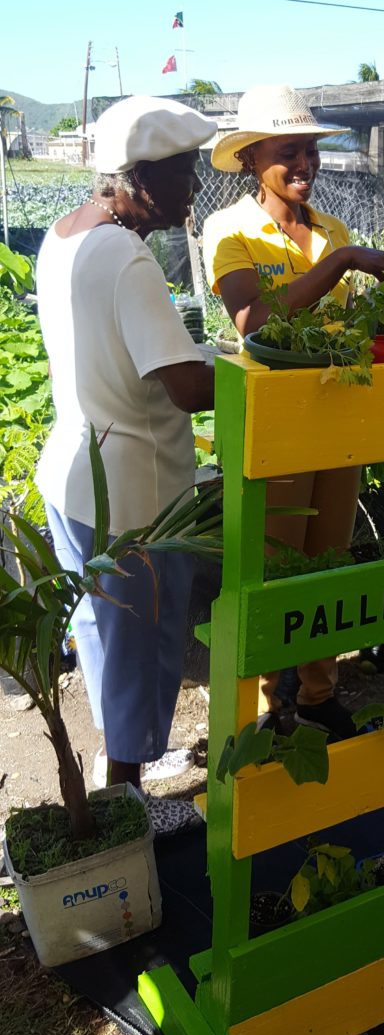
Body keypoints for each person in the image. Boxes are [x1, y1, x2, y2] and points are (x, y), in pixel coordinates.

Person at [203, 83, 384, 741]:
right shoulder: (229, 230)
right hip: (272, 428)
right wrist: (343, 262)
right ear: (251, 157)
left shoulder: (330, 230)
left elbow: (341, 325)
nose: (304, 164)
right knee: (271, 567)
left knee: (328, 561)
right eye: (288, 151)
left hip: (336, 420)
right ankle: (266, 706)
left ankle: (318, 694)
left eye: (310, 152)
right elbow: (253, 319)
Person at [35, 95, 217, 807]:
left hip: (74, 481)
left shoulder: (63, 235)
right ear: (137, 178)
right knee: (140, 658)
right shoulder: (128, 255)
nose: (193, 188)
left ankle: (120, 784)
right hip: (133, 500)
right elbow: (184, 388)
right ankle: (130, 807)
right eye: (182, 173)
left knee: (105, 646)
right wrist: (233, 364)